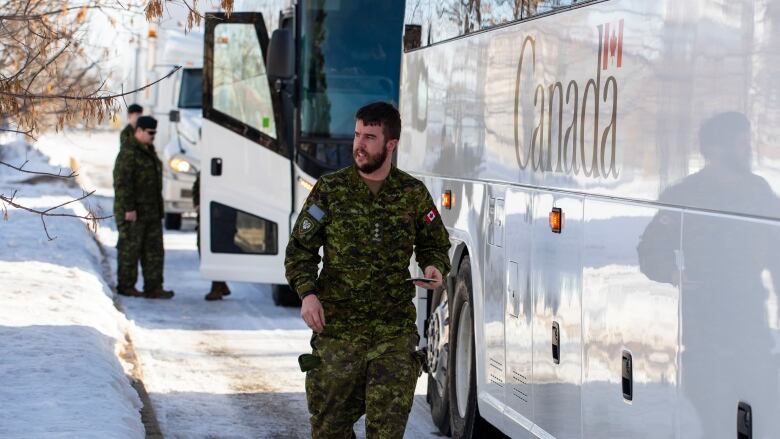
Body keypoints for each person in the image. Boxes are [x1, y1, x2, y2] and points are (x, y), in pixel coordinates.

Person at [284, 102, 451, 438]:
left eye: (370, 137)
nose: (358, 145)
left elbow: (434, 243)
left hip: (393, 333)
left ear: (391, 144)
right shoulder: (330, 191)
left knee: (386, 431)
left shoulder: (412, 194)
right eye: (357, 135)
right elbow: (299, 251)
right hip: (339, 332)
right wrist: (308, 294)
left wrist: (434, 266)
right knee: (329, 430)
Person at [637, 112, 780, 436]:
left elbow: (777, 253)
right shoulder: (686, 194)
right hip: (705, 340)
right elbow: (650, 251)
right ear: (715, 149)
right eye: (742, 144)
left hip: (752, 335)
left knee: (764, 421)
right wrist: (672, 273)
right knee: (718, 424)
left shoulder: (758, 191)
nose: (749, 150)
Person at [113, 115, 174, 299]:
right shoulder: (129, 152)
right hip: (134, 212)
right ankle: (126, 285)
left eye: (155, 133)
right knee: (130, 250)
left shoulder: (149, 150)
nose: (153, 136)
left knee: (154, 251)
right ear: (138, 131)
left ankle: (154, 287)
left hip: (152, 212)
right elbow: (122, 183)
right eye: (150, 133)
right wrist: (129, 208)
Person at [192, 172, 232, 301]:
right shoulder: (208, 165)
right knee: (203, 248)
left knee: (217, 250)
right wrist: (197, 204)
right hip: (207, 214)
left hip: (222, 217)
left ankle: (217, 287)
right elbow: (197, 185)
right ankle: (221, 284)